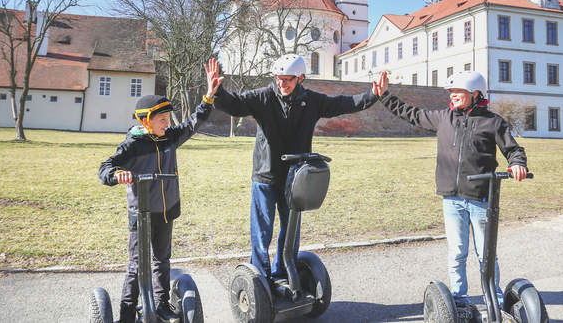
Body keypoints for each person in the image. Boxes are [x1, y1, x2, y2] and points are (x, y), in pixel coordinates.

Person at [208, 55, 383, 289]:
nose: (281, 84)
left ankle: (282, 273)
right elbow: (236, 104)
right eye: (278, 79)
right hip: (265, 176)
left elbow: (343, 104)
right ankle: (261, 280)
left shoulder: (312, 101)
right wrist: (218, 92)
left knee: (290, 232)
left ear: (300, 78)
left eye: (287, 80)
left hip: (295, 178)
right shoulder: (263, 96)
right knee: (262, 232)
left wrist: (372, 96)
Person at [375, 70, 527, 322]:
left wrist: (518, 163)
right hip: (452, 199)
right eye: (451, 92)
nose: (453, 96)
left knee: (486, 254)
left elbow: (513, 149)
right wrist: (384, 96)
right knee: (457, 252)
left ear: (475, 94)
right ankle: (460, 302)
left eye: (459, 92)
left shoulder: (493, 122)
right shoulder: (442, 118)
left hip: (480, 198)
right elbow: (409, 113)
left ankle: (495, 302)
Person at [98, 63, 223, 323]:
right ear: (146, 121)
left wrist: (208, 96)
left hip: (167, 211)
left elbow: (193, 122)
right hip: (141, 215)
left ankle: (161, 303)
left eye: (168, 119)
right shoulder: (132, 145)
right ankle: (127, 312)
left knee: (162, 261)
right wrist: (115, 175)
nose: (168, 123)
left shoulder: (169, 137)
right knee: (136, 266)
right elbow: (106, 167)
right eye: (163, 119)